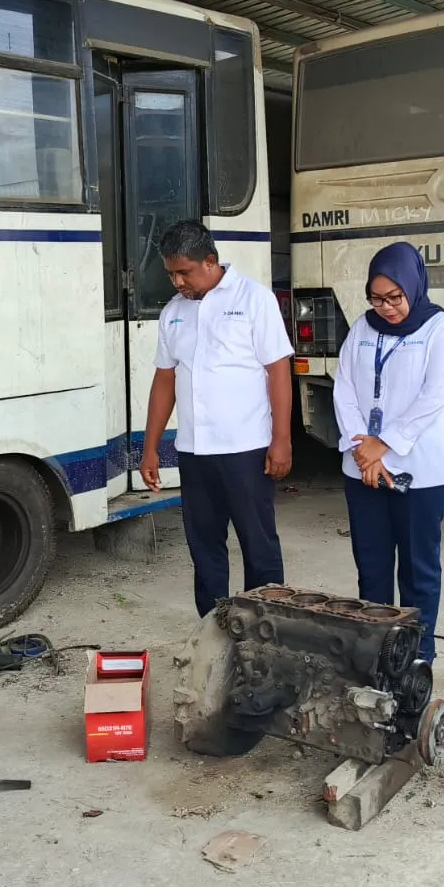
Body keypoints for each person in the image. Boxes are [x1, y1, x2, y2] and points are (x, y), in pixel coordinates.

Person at [141, 220, 293, 617]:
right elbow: (165, 380)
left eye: (184, 272)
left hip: (246, 449)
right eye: (171, 274)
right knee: (204, 547)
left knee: (258, 544)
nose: (177, 282)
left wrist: (281, 440)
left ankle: (264, 628)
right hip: (195, 452)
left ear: (210, 261)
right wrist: (150, 447)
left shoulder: (254, 300)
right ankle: (212, 628)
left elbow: (278, 371)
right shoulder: (173, 313)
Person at [332, 242, 444, 662]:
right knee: (371, 569)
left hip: (420, 471)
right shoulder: (361, 328)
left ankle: (416, 660)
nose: (386, 308)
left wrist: (382, 446)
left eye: (394, 297)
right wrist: (363, 449)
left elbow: (433, 397)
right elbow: (344, 388)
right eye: (376, 299)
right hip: (362, 469)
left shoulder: (439, 328)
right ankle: (374, 655)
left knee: (418, 571)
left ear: (413, 286)